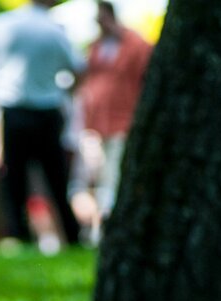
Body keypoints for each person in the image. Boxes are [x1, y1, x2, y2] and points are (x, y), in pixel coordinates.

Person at [0, 0, 85, 246]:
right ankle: (71, 235)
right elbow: (79, 68)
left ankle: (17, 235)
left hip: (13, 111)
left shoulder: (1, 25)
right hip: (47, 111)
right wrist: (65, 93)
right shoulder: (55, 29)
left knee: (13, 180)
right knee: (57, 179)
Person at [68, 0, 152, 237]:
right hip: (94, 124)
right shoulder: (95, 47)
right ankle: (93, 229)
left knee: (112, 177)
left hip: (122, 123)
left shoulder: (136, 45)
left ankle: (107, 231)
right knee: (89, 179)